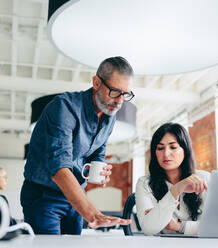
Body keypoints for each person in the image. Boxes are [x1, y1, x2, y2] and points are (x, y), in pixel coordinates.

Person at [20, 56, 133, 235]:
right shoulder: (64, 107)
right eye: (114, 91)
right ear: (96, 82)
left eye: (125, 94)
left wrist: (98, 170)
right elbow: (59, 168)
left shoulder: (109, 117)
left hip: (75, 197)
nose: (120, 101)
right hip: (43, 196)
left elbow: (97, 154)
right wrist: (93, 213)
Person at [135, 123, 210, 236]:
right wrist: (176, 190)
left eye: (173, 147)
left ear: (185, 149)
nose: (166, 153)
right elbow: (149, 228)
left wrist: (179, 226)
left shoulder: (204, 178)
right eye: (160, 148)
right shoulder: (144, 183)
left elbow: (216, 226)